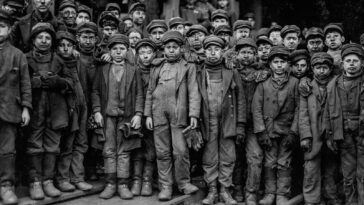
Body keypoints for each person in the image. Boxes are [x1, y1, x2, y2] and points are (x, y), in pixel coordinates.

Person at [144, 31, 200, 201]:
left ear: (181, 48)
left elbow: (194, 91)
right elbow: (150, 91)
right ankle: (166, 186)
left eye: (175, 47)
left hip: (179, 115)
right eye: (168, 47)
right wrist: (147, 114)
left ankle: (183, 183)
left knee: (181, 151)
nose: (171, 50)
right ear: (163, 49)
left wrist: (194, 114)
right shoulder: (157, 66)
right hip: (158, 113)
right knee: (162, 152)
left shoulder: (188, 66)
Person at [92, 34, 144, 200]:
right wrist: (97, 111)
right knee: (108, 150)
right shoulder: (103, 70)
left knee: (124, 151)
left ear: (127, 50)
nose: (118, 52)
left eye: (122, 49)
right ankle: (110, 184)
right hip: (107, 118)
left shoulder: (133, 70)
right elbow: (95, 91)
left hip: (126, 118)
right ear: (110, 51)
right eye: (115, 49)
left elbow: (139, 95)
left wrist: (138, 114)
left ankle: (122, 184)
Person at [197, 35, 246, 205]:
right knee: (210, 155)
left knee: (228, 155)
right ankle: (212, 190)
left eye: (216, 49)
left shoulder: (231, 72)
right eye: (209, 49)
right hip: (207, 120)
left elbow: (240, 100)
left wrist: (240, 125)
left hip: (228, 121)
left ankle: (225, 190)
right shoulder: (198, 71)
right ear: (204, 51)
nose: (212, 53)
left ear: (222, 51)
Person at [26, 22, 71, 200]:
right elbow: (19, 82)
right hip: (35, 108)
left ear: (52, 41)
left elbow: (70, 83)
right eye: (40, 37)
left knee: (53, 145)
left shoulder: (59, 60)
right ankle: (35, 182)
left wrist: (59, 82)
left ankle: (48, 181)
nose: (44, 40)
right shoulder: (25, 58)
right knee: (35, 145)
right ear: (33, 40)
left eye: (47, 37)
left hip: (56, 109)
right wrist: (33, 82)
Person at [252, 45, 299, 205]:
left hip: (286, 130)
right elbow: (256, 108)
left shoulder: (295, 83)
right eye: (275, 62)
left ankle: (282, 194)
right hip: (268, 130)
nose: (279, 65)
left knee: (284, 162)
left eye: (283, 62)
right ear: (270, 64)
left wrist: (293, 132)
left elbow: (300, 109)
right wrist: (261, 131)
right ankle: (270, 193)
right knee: (269, 162)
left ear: (288, 64)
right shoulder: (263, 83)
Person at [325, 43, 364, 205]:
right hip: (344, 134)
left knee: (363, 174)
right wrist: (330, 134)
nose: (352, 64)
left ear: (362, 63)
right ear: (342, 64)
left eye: (355, 61)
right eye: (348, 61)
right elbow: (328, 111)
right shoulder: (334, 84)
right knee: (348, 174)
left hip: (362, 134)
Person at [55, 30, 93, 192]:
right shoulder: (56, 63)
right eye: (62, 45)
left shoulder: (79, 64)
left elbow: (87, 88)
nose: (65, 49)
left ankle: (77, 177)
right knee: (67, 145)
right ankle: (62, 178)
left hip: (82, 108)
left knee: (81, 143)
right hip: (67, 111)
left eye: (69, 45)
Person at [0, 9, 31, 205]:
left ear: (10, 29)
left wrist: (26, 108)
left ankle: (6, 186)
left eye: (2, 26)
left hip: (10, 110)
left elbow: (25, 84)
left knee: (8, 151)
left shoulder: (18, 55)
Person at [234, 38, 269, 204]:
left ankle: (251, 192)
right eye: (243, 52)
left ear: (255, 55)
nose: (246, 56)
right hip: (233, 123)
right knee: (234, 158)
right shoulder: (231, 72)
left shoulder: (262, 73)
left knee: (255, 157)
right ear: (237, 54)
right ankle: (237, 188)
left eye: (250, 52)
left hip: (254, 124)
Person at [299, 52, 335, 205]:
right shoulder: (306, 87)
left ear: (330, 68)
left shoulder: (336, 84)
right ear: (312, 68)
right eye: (318, 67)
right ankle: (311, 200)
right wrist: (305, 136)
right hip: (313, 136)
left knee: (331, 168)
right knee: (311, 169)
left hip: (331, 134)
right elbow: (303, 113)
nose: (321, 71)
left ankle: (331, 197)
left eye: (325, 67)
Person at [130, 39, 157, 197]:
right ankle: (136, 180)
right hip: (135, 114)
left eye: (149, 53)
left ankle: (147, 180)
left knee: (151, 149)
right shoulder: (134, 70)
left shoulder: (158, 69)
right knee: (137, 148)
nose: (145, 56)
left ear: (154, 54)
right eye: (142, 53)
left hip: (153, 115)